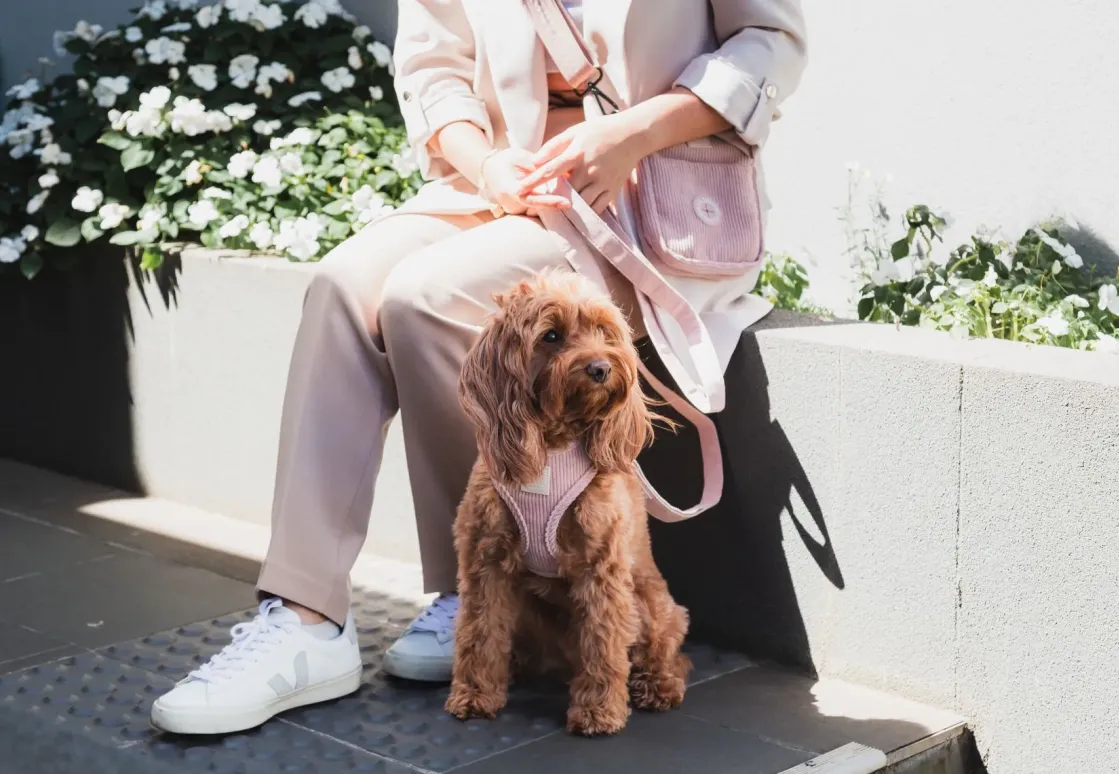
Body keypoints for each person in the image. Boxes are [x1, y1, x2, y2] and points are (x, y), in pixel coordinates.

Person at [150, 0, 807, 735]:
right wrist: (490, 165)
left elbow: (771, 42)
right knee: (339, 287)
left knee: (422, 298)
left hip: (641, 193)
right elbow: (434, 67)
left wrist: (631, 133)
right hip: (499, 185)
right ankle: (303, 619)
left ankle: (469, 592)